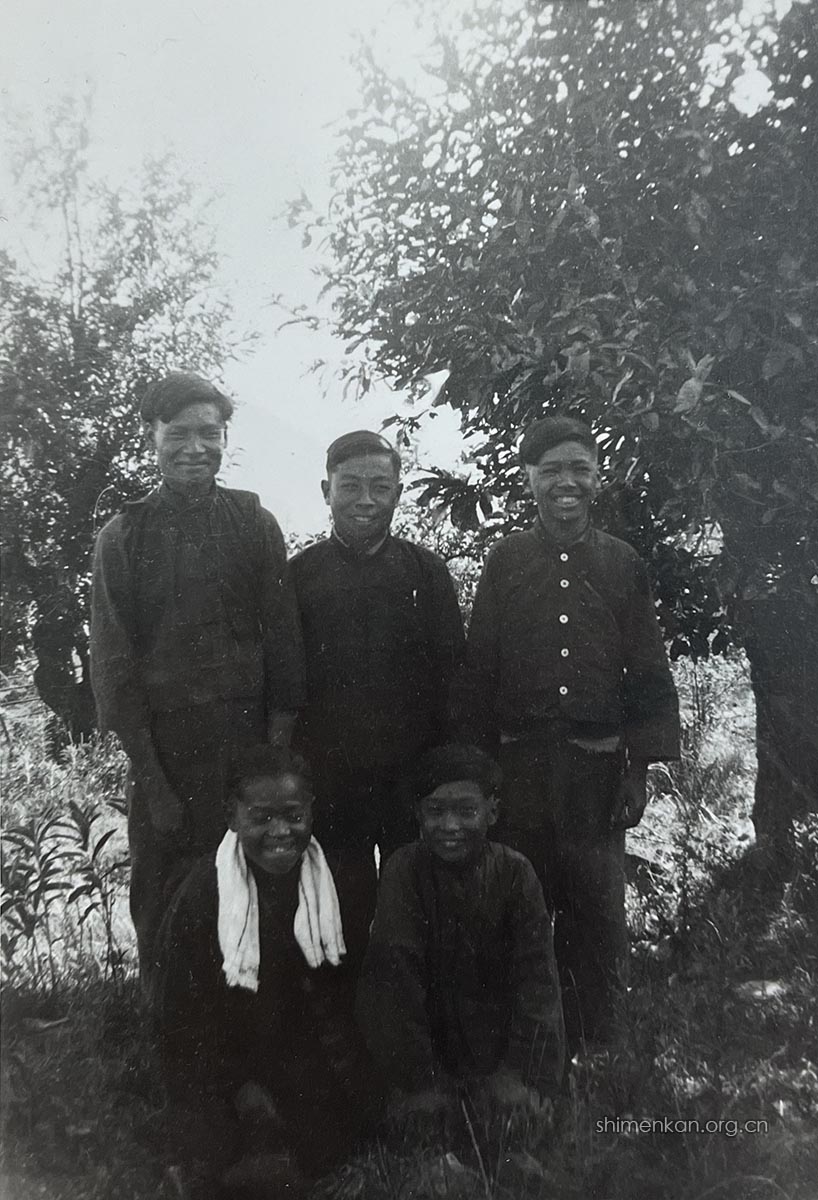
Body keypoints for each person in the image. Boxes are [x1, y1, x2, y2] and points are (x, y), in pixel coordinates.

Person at [457, 415, 680, 1049]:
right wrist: (480, 776)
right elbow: (480, 670)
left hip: (596, 772)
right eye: (551, 470)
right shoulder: (506, 561)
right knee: (517, 904)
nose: (566, 483)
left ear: (597, 479)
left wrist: (637, 771)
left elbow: (647, 668)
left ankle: (595, 1047)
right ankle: (521, 1046)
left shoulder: (621, 563)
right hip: (518, 770)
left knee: (597, 913)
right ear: (529, 478)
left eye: (579, 469)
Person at [90, 371, 305, 976]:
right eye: (178, 433)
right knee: (167, 902)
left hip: (248, 746)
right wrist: (155, 784)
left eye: (209, 434)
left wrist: (273, 762)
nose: (195, 448)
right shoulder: (123, 537)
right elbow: (115, 670)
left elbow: (284, 646)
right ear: (151, 437)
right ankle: (170, 1030)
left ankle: (256, 1025)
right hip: (166, 756)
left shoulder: (254, 523)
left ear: (225, 439)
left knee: (259, 894)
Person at [152, 745, 375, 1198]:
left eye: (294, 816)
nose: (279, 832)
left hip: (301, 1061)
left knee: (325, 1150)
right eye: (261, 818)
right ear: (232, 818)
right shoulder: (203, 894)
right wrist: (238, 1087)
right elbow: (177, 1021)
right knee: (214, 1157)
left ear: (312, 812)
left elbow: (347, 996)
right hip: (223, 1067)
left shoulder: (333, 883)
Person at [291, 430, 465, 967]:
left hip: (409, 779)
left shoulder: (425, 573)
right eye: (350, 487)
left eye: (379, 487)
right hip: (331, 780)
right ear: (326, 490)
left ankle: (411, 1006)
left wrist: (445, 774)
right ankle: (346, 1010)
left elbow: (453, 680)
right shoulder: (298, 576)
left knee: (414, 909)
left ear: (397, 493)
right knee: (339, 912)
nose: (365, 500)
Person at [357, 744, 565, 1124]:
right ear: (418, 813)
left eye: (467, 812)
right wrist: (420, 1078)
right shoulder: (404, 870)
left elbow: (537, 982)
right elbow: (395, 980)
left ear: (492, 812)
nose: (450, 827)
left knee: (518, 1118)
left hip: (500, 1051)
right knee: (417, 1121)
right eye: (436, 812)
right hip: (430, 1052)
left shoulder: (516, 873)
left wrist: (519, 1072)